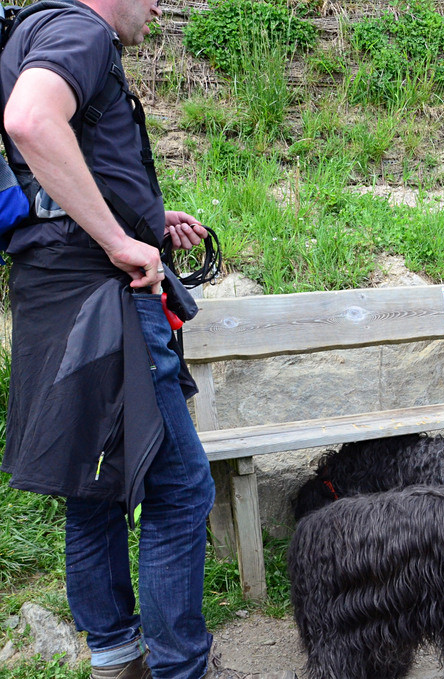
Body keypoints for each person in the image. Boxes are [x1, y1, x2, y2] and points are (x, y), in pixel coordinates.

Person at [0, 1, 295, 678]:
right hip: (104, 297)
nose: (159, 5)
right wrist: (116, 237)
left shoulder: (31, 31)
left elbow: (53, 162)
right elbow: (32, 120)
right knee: (183, 485)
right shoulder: (80, 31)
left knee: (94, 485)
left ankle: (116, 659)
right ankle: (180, 667)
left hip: (54, 292)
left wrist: (146, 217)